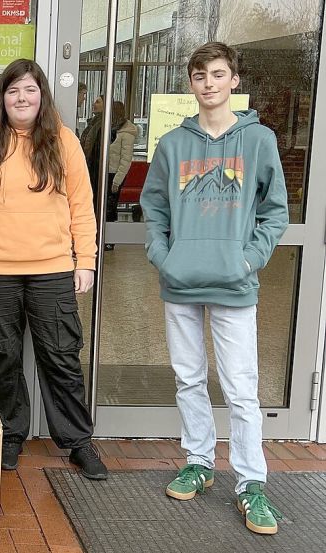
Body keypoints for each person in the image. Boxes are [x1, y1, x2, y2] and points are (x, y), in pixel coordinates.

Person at [140, 42, 288, 535]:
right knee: (188, 378)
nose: (209, 83)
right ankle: (198, 462)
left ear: (234, 81)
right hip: (181, 281)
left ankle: (251, 483)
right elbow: (155, 206)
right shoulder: (172, 145)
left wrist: (248, 258)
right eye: (200, 75)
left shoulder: (258, 140)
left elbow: (274, 211)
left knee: (242, 388)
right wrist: (164, 257)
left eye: (218, 74)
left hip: (234, 281)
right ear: (192, 83)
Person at [0, 58, 108, 481]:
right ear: (1, 98)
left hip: (52, 269)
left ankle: (78, 443)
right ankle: (9, 436)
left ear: (41, 96)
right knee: (1, 358)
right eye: (13, 90)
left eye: (30, 90)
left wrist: (86, 260)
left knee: (60, 358)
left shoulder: (64, 142)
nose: (21, 98)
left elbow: (81, 207)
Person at [105, 101, 137, 231]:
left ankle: (109, 238)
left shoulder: (126, 133)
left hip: (114, 174)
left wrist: (117, 181)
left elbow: (125, 160)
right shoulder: (111, 129)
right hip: (105, 173)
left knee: (110, 209)